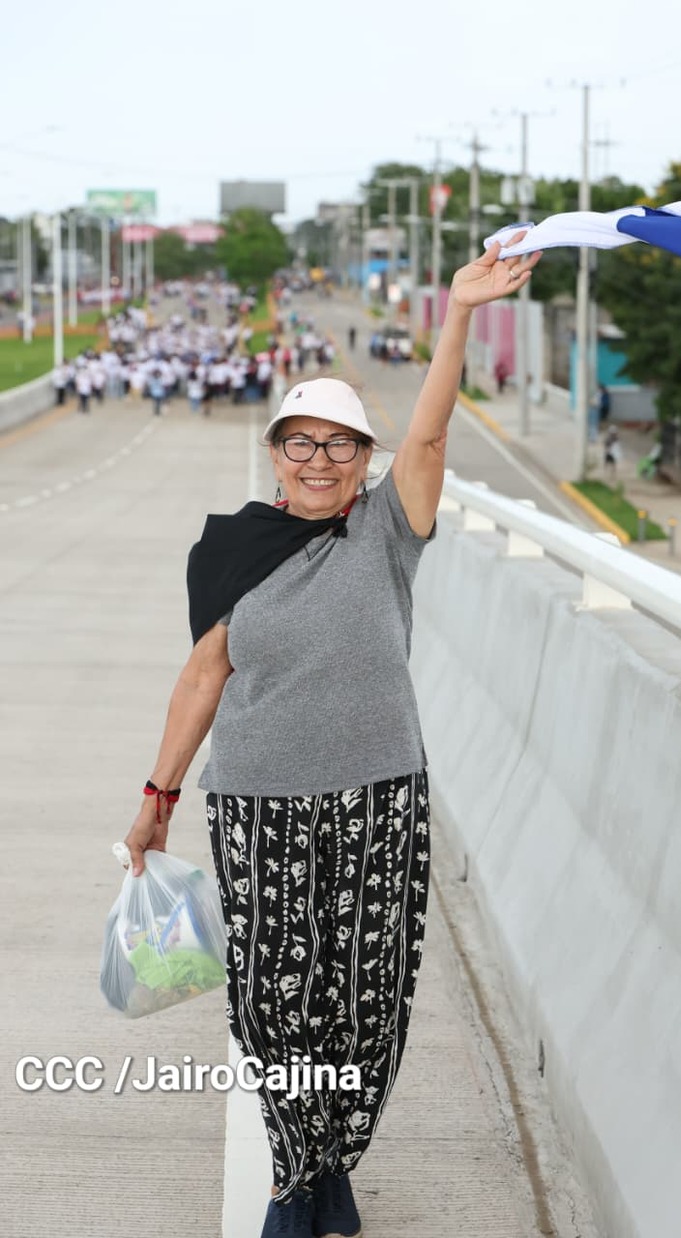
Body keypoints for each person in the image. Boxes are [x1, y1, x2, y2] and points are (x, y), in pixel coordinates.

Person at [123, 236, 540, 1238]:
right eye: (300, 443)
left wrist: (457, 314)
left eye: (340, 445)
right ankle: (294, 1179)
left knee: (363, 1006)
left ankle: (331, 1160)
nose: (319, 461)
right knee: (274, 1003)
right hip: (256, 801)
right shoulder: (230, 549)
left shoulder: (386, 530)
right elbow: (203, 676)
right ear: (276, 453)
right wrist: (158, 797)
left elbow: (430, 437)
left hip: (375, 797)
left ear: (364, 461)